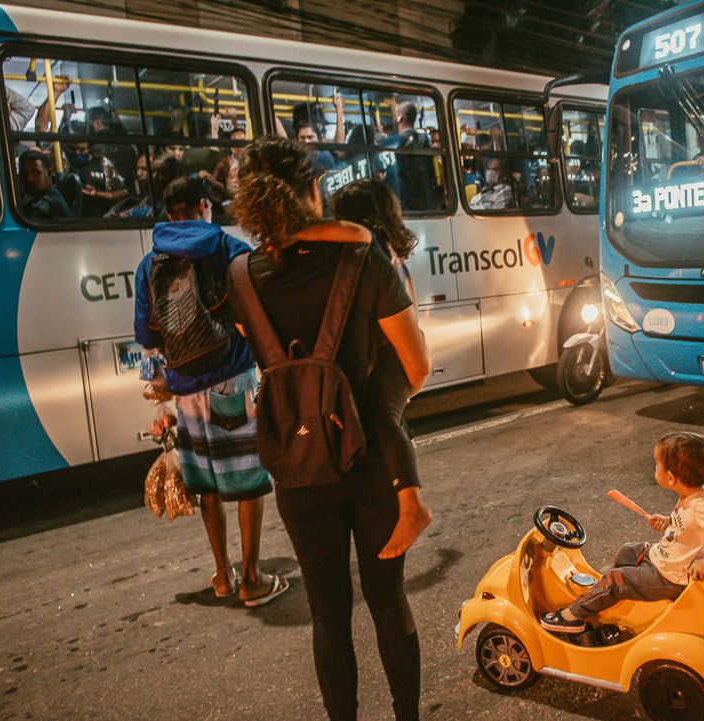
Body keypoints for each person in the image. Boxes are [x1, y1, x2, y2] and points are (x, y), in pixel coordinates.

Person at [230, 137, 430, 721]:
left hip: (297, 469)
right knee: (387, 601)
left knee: (328, 612)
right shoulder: (362, 257)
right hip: (370, 462)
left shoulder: (241, 276)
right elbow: (415, 368)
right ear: (312, 190)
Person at [133, 175, 287, 608]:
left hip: (185, 391)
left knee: (209, 488)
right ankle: (252, 580)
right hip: (233, 380)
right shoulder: (227, 247)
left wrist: (165, 388)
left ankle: (222, 576)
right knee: (248, 481)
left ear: (169, 213)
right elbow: (263, 302)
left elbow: (145, 331)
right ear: (204, 204)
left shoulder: (150, 264)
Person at [540, 432, 704, 634]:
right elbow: (691, 524)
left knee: (616, 579)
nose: (655, 468)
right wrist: (668, 520)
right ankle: (615, 598)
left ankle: (571, 617)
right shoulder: (694, 494)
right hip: (662, 558)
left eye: (657, 465)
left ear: (670, 477)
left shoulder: (700, 505)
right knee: (626, 552)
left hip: (669, 578)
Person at [330, 178, 431, 558]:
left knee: (382, 417)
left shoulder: (365, 248)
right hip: (398, 347)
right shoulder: (384, 246)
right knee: (388, 418)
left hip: (388, 353)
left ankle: (412, 505)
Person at [17, 149, 70, 221]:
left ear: (49, 173)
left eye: (36, 173)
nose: (30, 178)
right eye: (25, 173)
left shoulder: (46, 206)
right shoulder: (32, 197)